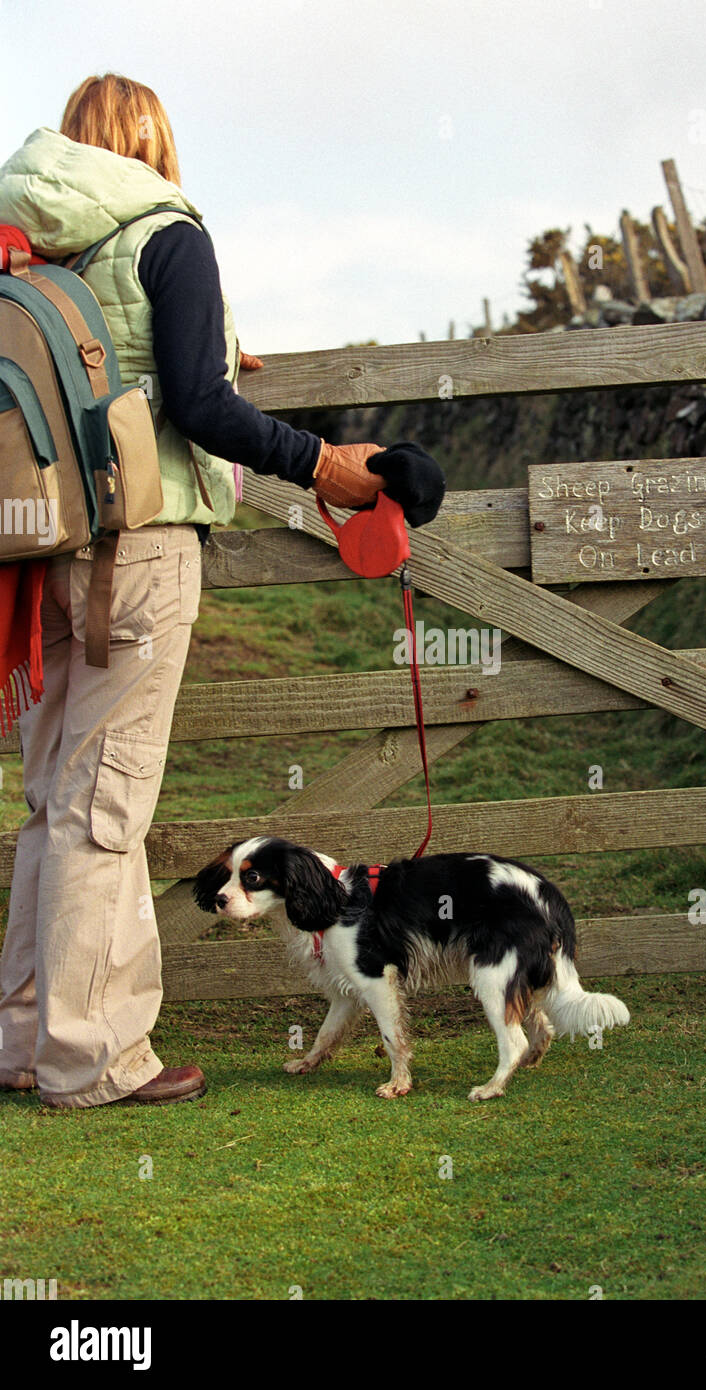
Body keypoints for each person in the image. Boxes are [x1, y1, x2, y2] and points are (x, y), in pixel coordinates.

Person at [0, 74, 444, 1110]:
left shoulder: (26, 238)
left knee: (50, 804)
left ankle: (23, 1038)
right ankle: (92, 1059)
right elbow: (198, 405)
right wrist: (323, 462)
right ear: (150, 140)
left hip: (36, 553)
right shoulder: (166, 232)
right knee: (102, 813)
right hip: (139, 549)